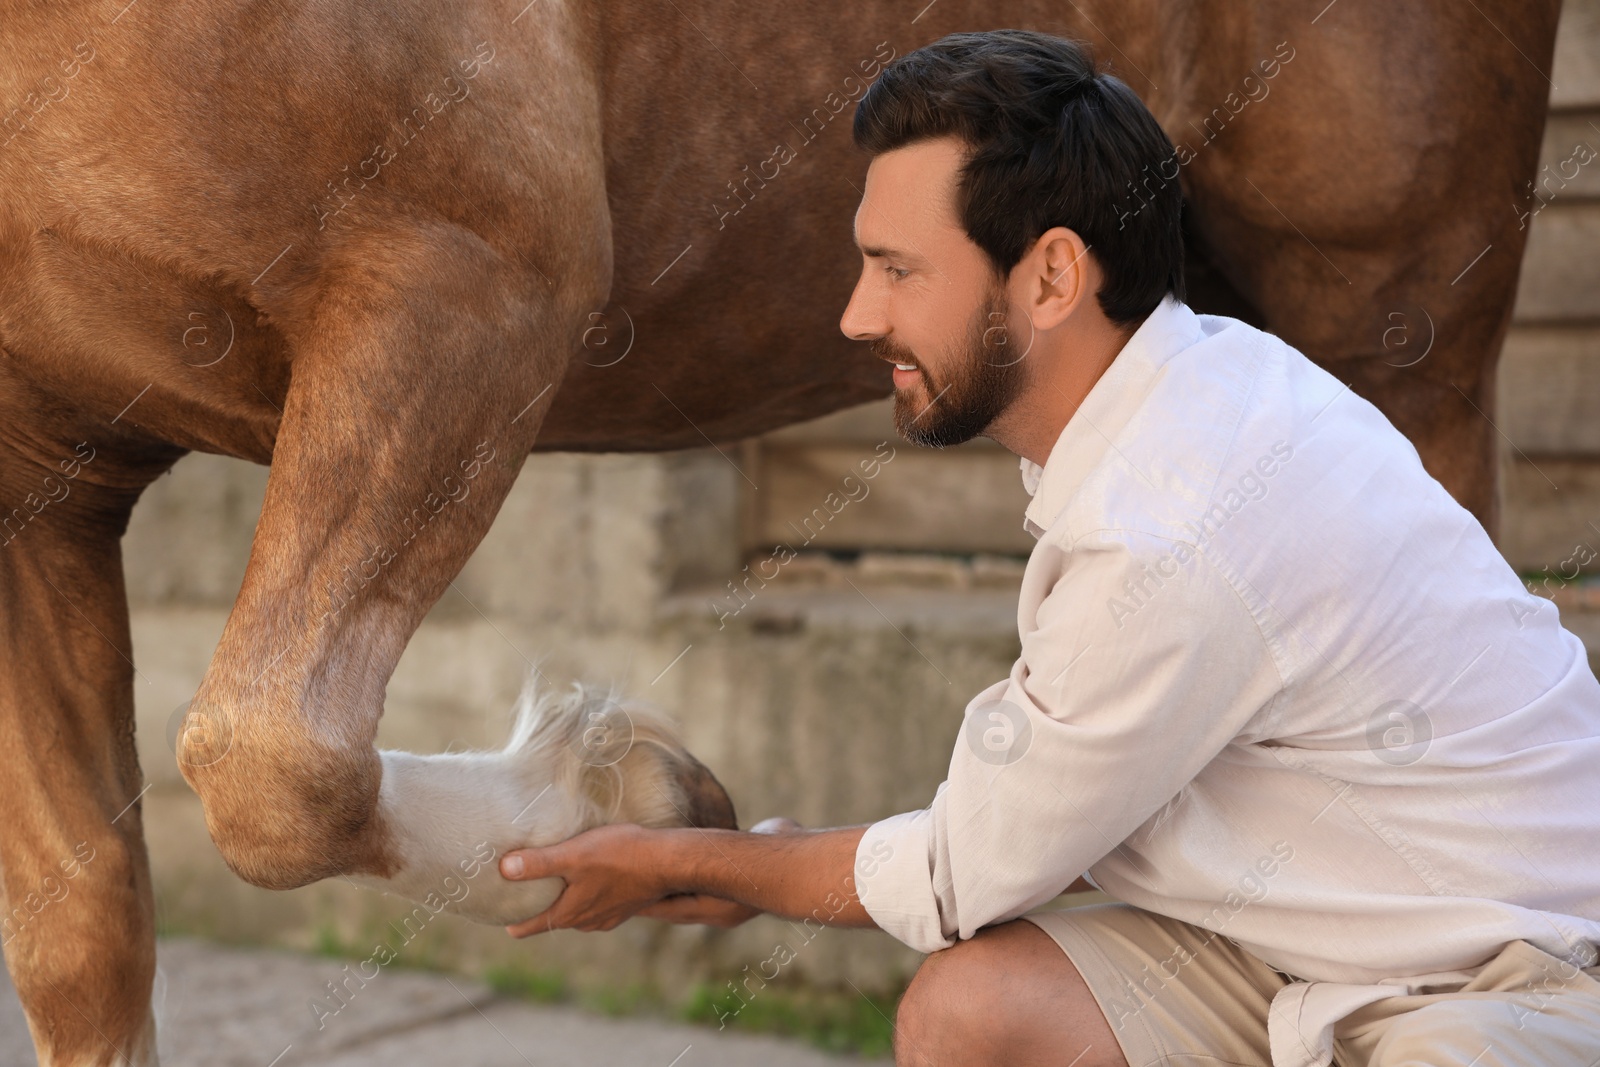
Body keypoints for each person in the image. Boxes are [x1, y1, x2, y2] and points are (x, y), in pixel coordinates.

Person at [495, 30, 1600, 1067]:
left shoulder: (1171, 523)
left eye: (898, 270)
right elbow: (1023, 830)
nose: (853, 316)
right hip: (1304, 940)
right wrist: (782, 857)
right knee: (973, 1010)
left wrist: (689, 858)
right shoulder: (1188, 387)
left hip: (1519, 968)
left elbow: (956, 873)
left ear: (1051, 277)